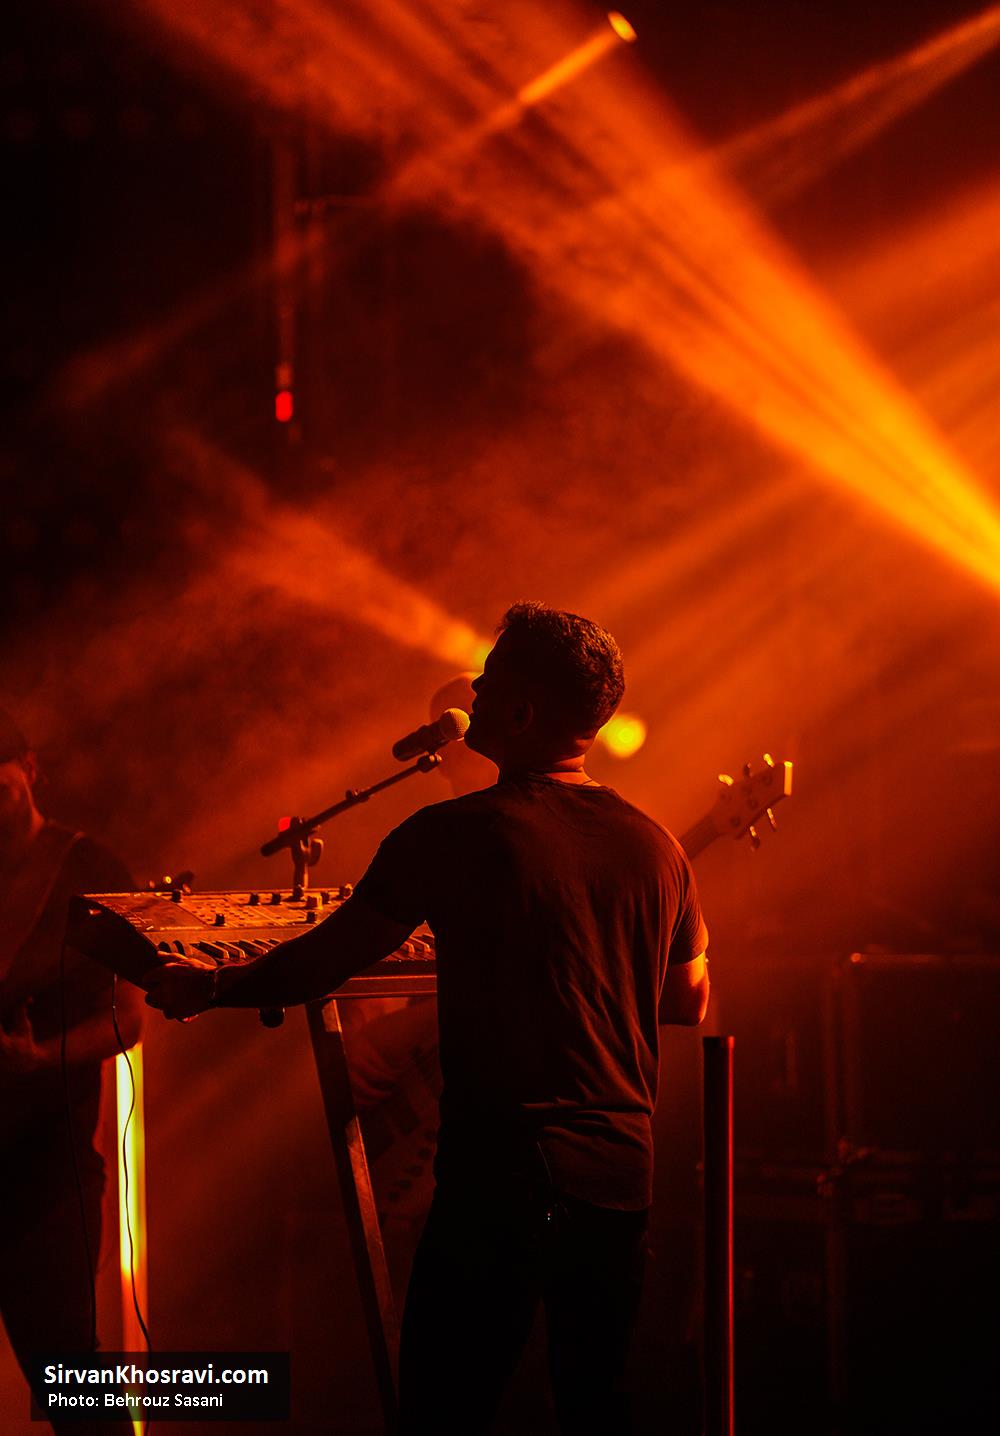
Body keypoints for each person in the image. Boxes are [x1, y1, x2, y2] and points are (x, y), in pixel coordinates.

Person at [146, 603, 709, 1434]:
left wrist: (210, 988)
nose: (473, 690)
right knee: (595, 1408)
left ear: (521, 711)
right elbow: (687, 1001)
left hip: (502, 1179)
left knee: (445, 1410)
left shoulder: (452, 834)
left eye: (490, 677)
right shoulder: (658, 846)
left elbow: (323, 962)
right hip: (620, 1179)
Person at [0, 708, 142, 1436]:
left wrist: (38, 1058)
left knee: (71, 1384)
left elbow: (129, 1020)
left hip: (45, 1174)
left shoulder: (92, 870)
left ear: (31, 769)